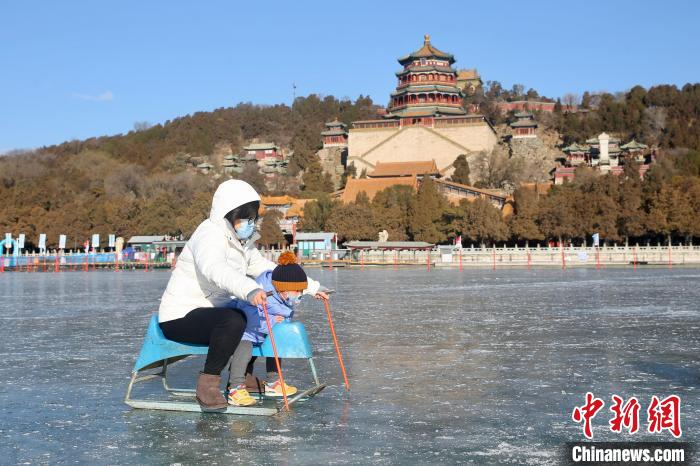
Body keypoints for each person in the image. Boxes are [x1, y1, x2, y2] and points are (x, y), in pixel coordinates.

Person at [157, 180, 324, 411]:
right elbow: (215, 269)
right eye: (244, 217)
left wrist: (311, 287)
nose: (249, 223)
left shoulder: (242, 242)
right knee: (234, 321)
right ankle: (208, 384)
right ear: (228, 214)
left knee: (253, 317)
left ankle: (244, 377)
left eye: (252, 217)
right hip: (181, 315)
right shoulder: (209, 235)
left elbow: (267, 269)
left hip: (214, 312)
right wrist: (249, 289)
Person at [225, 251, 313, 406]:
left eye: (301, 291)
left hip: (262, 333)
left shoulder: (283, 298)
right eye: (297, 291)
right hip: (244, 331)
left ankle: (273, 381)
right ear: (283, 289)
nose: (299, 295)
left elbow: (281, 316)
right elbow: (251, 316)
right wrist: (272, 321)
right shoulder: (260, 292)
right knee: (244, 347)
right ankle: (235, 387)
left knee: (277, 342)